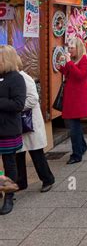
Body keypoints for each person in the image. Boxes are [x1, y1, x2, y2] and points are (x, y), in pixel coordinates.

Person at [16, 56, 55, 193]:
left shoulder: (24, 77)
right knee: (18, 153)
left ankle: (47, 179)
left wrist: (14, 106)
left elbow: (33, 99)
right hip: (18, 122)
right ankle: (21, 182)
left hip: (29, 121)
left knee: (36, 152)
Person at [0, 45, 26, 214]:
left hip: (8, 129)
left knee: (9, 163)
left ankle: (9, 197)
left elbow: (18, 105)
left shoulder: (16, 78)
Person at [59, 37, 87, 165]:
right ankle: (82, 147)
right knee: (75, 125)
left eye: (72, 48)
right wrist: (61, 66)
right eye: (69, 48)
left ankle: (76, 154)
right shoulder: (72, 60)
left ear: (78, 48)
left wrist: (69, 63)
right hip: (71, 96)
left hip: (78, 97)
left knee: (73, 126)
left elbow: (80, 76)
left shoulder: (84, 59)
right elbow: (68, 73)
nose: (70, 50)